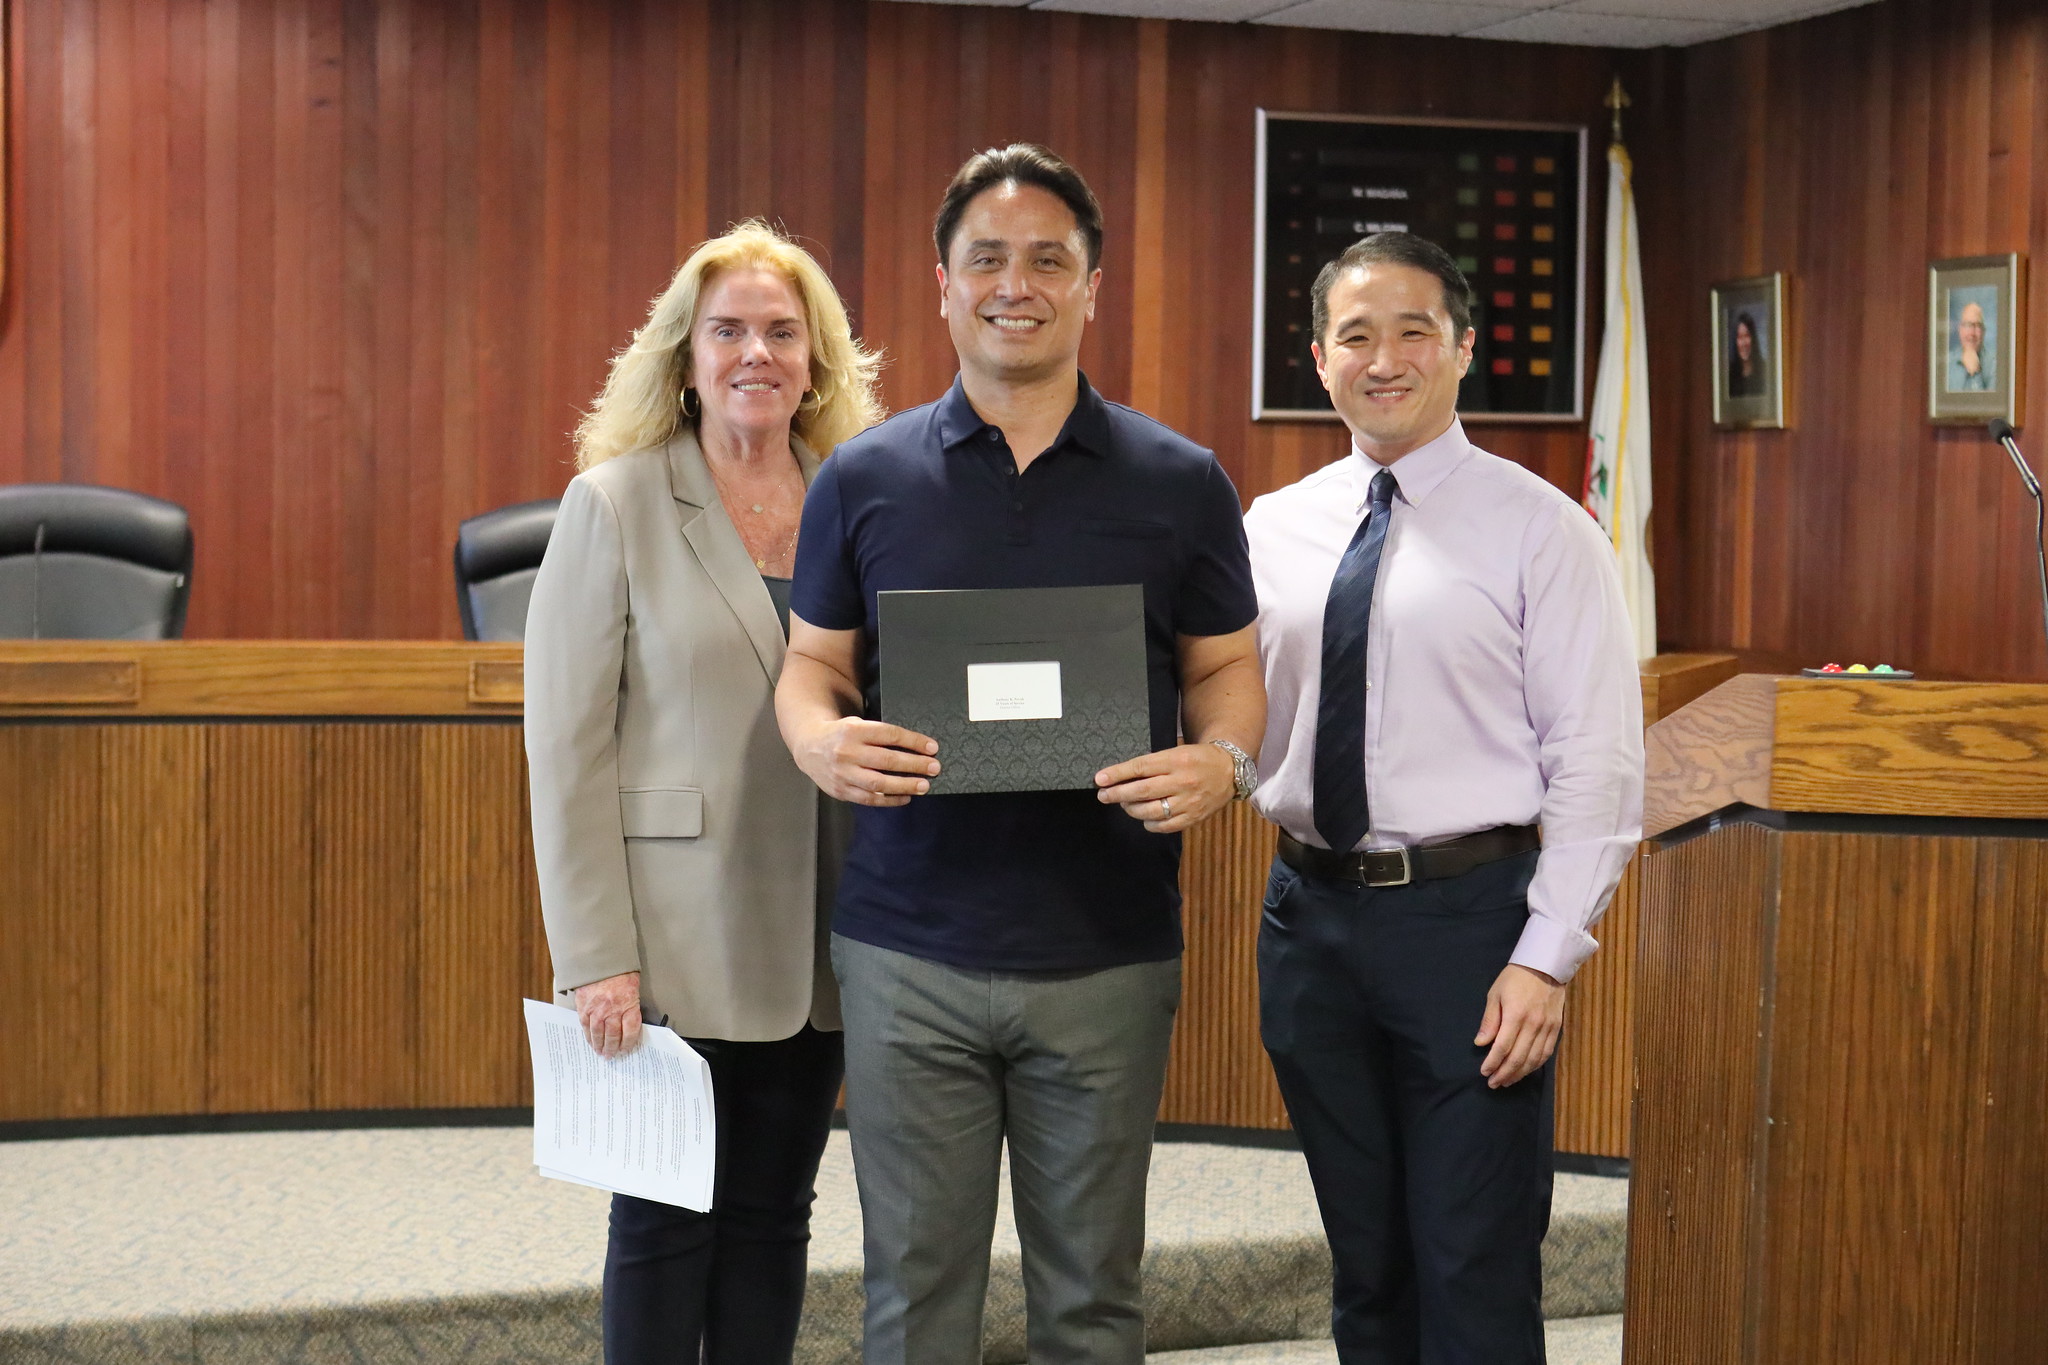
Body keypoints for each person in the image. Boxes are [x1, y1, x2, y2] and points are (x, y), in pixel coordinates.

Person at [775, 144, 1265, 1365]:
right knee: (912, 1299)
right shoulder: (860, 478)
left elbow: (1227, 675)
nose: (1015, 283)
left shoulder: (1181, 480)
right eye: (984, 258)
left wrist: (1226, 764)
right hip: (905, 953)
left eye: (1049, 260)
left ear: (1091, 287)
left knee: (1092, 1305)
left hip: (1102, 955)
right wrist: (819, 742)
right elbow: (809, 668)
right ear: (942, 286)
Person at [1242, 231, 1643, 1365]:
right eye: (1354, 335)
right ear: (1317, 359)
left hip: (1468, 931)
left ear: (1462, 348)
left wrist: (1543, 955)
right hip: (1307, 926)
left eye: (1412, 330)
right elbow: (1217, 707)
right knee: (1364, 1264)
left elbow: (1599, 765)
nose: (1384, 357)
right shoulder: (1270, 528)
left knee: (1471, 1264)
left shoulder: (1542, 531)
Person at [524, 219, 882, 1365]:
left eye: (782, 331)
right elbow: (566, 746)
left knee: (777, 1219)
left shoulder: (856, 498)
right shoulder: (616, 502)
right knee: (665, 1221)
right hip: (674, 940)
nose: (754, 353)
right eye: (727, 330)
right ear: (685, 357)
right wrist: (594, 953)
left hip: (826, 932)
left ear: (815, 358)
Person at [1948, 299, 1993, 391]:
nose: (1972, 333)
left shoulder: (1994, 366)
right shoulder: (1947, 363)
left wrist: (1975, 374)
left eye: (1977, 325)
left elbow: (1988, 405)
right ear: (1960, 330)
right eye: (1968, 325)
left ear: (1984, 331)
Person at [1727, 310, 1764, 397]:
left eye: (1747, 336)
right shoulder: (1730, 376)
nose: (1743, 343)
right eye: (1740, 337)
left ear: (1753, 338)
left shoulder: (1764, 370)